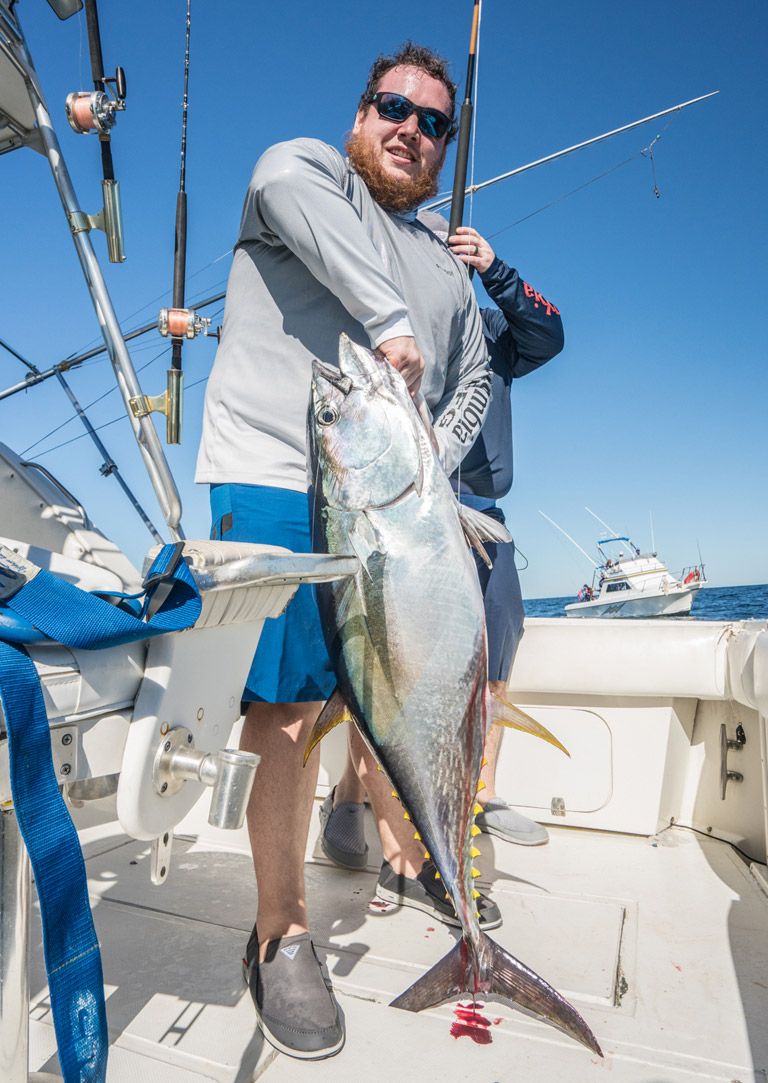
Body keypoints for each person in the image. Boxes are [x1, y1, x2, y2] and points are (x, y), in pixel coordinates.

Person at [195, 44, 493, 1061]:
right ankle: (280, 934)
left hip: (401, 504)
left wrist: (426, 474)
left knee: (405, 683)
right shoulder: (306, 177)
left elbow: (470, 386)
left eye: (432, 123)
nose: (410, 129)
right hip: (279, 476)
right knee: (284, 706)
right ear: (360, 115)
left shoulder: (450, 276)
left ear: (446, 150)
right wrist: (392, 318)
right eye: (392, 108)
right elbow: (282, 182)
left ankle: (382, 833)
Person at [321, 224, 564, 868]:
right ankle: (349, 794)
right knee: (382, 657)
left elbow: (549, 333)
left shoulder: (490, 328)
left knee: (495, 656)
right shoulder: (389, 334)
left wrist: (496, 269)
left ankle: (478, 794)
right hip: (405, 515)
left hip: (479, 516)